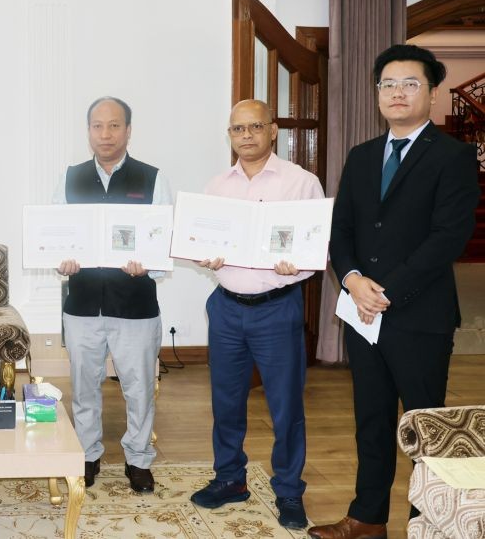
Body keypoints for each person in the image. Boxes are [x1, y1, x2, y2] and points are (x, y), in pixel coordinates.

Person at [309, 45, 479, 539]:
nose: (397, 92)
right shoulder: (362, 156)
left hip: (419, 314)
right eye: (388, 84)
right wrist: (352, 280)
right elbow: (340, 231)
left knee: (425, 426)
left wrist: (387, 290)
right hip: (363, 312)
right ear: (377, 94)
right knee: (371, 420)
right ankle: (367, 517)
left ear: (431, 91)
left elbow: (450, 235)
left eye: (409, 83)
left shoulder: (453, 155)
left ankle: (430, 522)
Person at [189, 99, 324, 530]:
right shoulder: (216, 186)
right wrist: (203, 258)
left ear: (273, 130)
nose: (246, 136)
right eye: (237, 129)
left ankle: (288, 491)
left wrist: (296, 265)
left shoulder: (301, 183)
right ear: (229, 135)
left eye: (254, 127)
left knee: (285, 407)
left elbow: (313, 246)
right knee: (226, 402)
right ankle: (230, 479)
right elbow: (197, 241)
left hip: (275, 309)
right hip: (226, 307)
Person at [55, 96, 171, 494]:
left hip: (135, 307)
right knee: (84, 387)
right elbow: (55, 236)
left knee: (138, 389)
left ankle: (138, 459)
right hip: (82, 305)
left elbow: (164, 241)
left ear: (128, 130)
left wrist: (148, 265)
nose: (105, 134)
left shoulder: (152, 178)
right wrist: (62, 261)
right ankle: (87, 454)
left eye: (114, 125)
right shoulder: (69, 178)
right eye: (97, 126)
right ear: (88, 131)